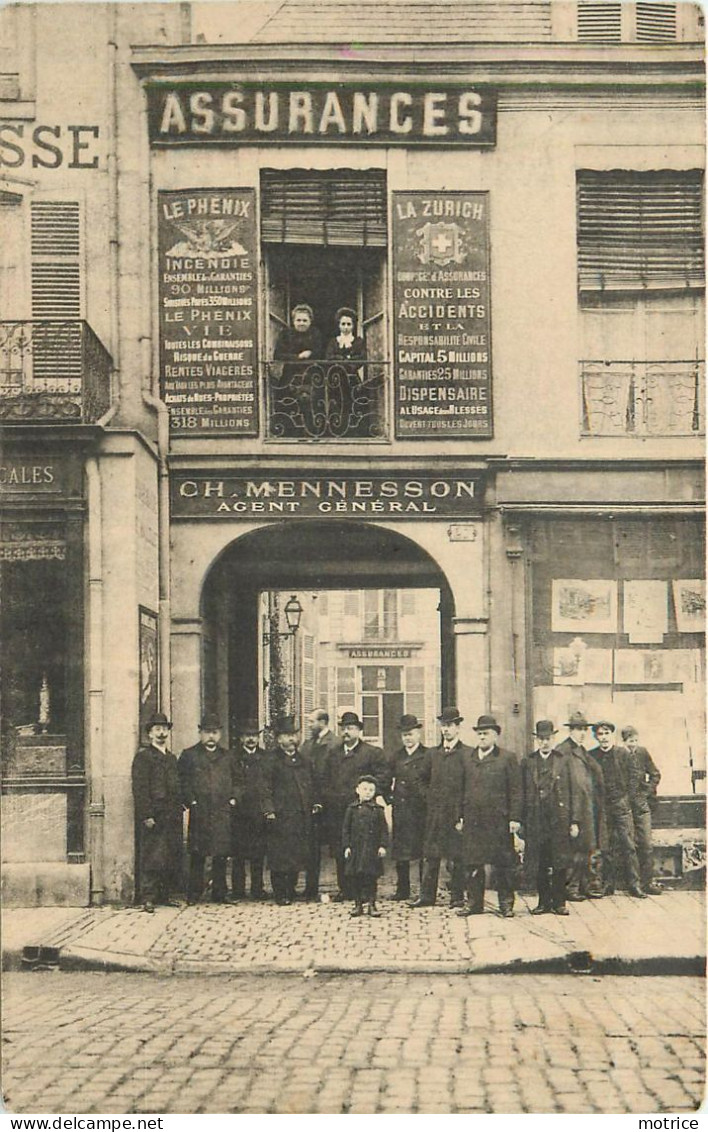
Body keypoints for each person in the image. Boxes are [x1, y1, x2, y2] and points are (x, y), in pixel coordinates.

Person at [457, 714, 522, 919]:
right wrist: (459, 816)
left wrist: (515, 818)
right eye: (479, 733)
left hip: (498, 821)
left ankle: (506, 904)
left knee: (503, 864)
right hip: (473, 820)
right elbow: (459, 790)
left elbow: (516, 791)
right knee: (473, 863)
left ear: (496, 736)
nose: (482, 737)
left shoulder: (507, 758)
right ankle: (474, 904)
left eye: (486, 733)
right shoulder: (467, 758)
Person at [322, 711, 389, 902]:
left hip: (364, 812)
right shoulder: (333, 754)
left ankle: (366, 892)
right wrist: (331, 798)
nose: (346, 732)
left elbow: (383, 778)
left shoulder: (372, 753)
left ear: (359, 731)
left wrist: (368, 797)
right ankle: (345, 889)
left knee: (365, 851)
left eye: (350, 728)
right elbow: (324, 780)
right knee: (342, 849)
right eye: (343, 728)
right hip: (339, 812)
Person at [410, 707, 469, 909]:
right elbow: (419, 780)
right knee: (431, 855)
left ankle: (457, 896)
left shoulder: (467, 754)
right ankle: (427, 896)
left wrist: (462, 811)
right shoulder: (432, 755)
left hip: (456, 814)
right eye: (443, 725)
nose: (446, 730)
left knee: (457, 856)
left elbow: (471, 785)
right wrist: (429, 797)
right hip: (434, 813)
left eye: (450, 725)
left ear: (458, 727)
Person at [261, 716, 322, 906]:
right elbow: (264, 787)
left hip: (300, 814)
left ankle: (291, 889)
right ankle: (281, 892)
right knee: (280, 855)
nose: (291, 739)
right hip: (279, 815)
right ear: (279, 739)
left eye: (294, 735)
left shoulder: (304, 760)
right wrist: (269, 810)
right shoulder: (271, 760)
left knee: (296, 854)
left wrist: (316, 802)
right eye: (287, 736)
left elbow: (314, 783)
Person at [520, 720, 579, 916]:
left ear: (554, 739)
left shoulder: (564, 761)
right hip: (537, 820)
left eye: (548, 739)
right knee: (540, 863)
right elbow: (521, 793)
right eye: (541, 739)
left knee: (560, 862)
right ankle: (543, 902)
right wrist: (520, 821)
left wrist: (575, 821)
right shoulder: (528, 762)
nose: (545, 742)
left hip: (559, 819)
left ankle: (559, 902)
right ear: (536, 740)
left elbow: (573, 792)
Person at [178, 712, 238, 904]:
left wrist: (233, 799)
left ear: (220, 734)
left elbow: (238, 780)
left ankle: (220, 892)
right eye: (207, 732)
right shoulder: (189, 755)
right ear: (200, 733)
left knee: (221, 853)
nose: (211, 736)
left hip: (222, 810)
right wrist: (191, 800)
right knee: (198, 853)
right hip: (201, 810)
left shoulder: (227, 756)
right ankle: (194, 893)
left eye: (215, 732)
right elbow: (182, 781)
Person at [131, 711, 184, 913]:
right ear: (150, 734)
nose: (161, 733)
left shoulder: (171, 758)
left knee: (169, 854)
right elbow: (140, 789)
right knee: (152, 855)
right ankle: (148, 897)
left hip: (171, 813)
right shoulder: (143, 758)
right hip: (154, 814)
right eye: (157, 729)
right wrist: (146, 815)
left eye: (164, 729)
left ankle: (165, 895)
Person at [588, 720, 646, 898]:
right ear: (596, 737)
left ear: (612, 735)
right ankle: (608, 884)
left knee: (629, 845)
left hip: (621, 805)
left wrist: (626, 798)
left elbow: (634, 777)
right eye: (600, 734)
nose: (603, 737)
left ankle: (634, 885)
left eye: (606, 733)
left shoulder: (623, 754)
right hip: (603, 808)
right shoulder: (592, 756)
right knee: (607, 847)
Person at [557, 710, 606, 901]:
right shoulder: (564, 751)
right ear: (570, 731)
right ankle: (571, 887)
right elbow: (565, 786)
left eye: (584, 729)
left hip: (587, 808)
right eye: (578, 729)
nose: (582, 732)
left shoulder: (582, 751)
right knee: (574, 851)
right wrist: (572, 818)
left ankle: (584, 886)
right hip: (574, 810)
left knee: (586, 849)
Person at [388, 714, 431, 901]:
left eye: (411, 734)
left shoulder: (428, 755)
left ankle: (424, 890)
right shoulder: (396, 756)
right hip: (402, 809)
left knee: (423, 851)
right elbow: (386, 779)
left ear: (418, 734)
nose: (407, 738)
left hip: (421, 810)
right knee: (401, 852)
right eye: (404, 734)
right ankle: (402, 889)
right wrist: (389, 798)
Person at [300, 709, 341, 901]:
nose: (308, 725)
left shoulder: (336, 744)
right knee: (310, 847)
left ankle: (344, 888)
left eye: (311, 722)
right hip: (311, 802)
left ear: (323, 722)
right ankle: (310, 889)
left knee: (338, 846)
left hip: (332, 804)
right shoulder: (307, 745)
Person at [622, 725, 663, 896]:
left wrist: (646, 791)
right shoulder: (619, 755)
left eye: (636, 741)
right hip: (625, 805)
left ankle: (648, 882)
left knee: (646, 843)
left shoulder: (643, 752)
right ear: (623, 742)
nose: (633, 745)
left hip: (641, 804)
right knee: (629, 845)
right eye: (630, 741)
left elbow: (655, 774)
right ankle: (634, 884)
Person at [231, 719, 268, 901]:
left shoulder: (265, 757)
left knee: (258, 853)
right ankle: (238, 889)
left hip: (258, 811)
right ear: (241, 738)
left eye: (254, 736)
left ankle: (257, 888)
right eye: (247, 736)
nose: (251, 739)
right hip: (239, 812)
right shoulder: (233, 757)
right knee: (238, 854)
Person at [342, 774, 388, 918]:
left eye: (371, 790)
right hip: (356, 849)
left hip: (371, 850)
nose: (367, 792)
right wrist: (347, 846)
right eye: (364, 789)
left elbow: (384, 830)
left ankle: (372, 904)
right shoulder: (352, 809)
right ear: (357, 790)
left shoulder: (378, 810)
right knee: (356, 877)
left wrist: (382, 846)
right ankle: (358, 904)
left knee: (371, 877)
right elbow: (346, 829)